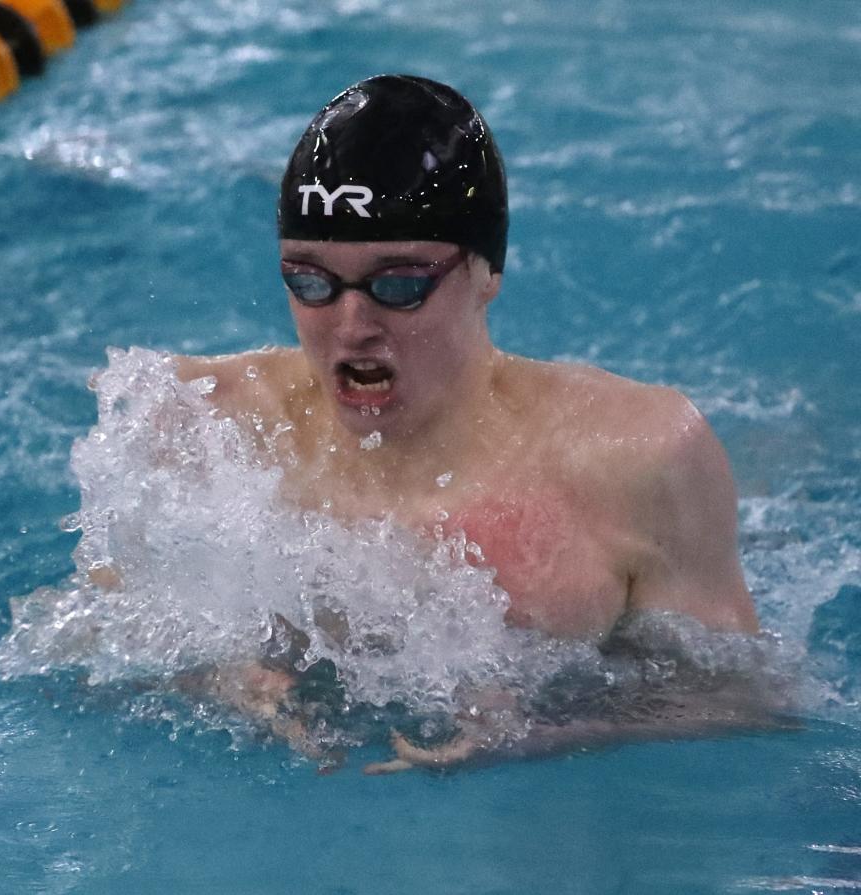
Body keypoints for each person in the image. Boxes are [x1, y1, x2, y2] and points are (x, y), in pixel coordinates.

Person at [169, 74, 761, 769]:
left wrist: (549, 730)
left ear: (487, 273)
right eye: (310, 282)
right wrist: (218, 681)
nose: (352, 326)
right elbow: (70, 637)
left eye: (399, 284)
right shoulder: (213, 423)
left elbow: (746, 697)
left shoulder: (639, 456)